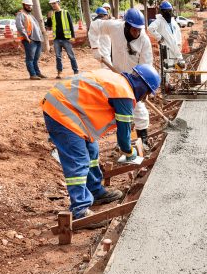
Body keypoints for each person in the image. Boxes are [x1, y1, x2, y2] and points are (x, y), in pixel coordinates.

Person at [41, 64, 160, 221]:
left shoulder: (118, 82)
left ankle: (95, 191)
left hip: (71, 111)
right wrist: (130, 154)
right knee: (79, 161)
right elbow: (123, 138)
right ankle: (80, 210)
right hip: (61, 112)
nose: (143, 98)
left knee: (92, 151)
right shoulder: (124, 93)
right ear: (142, 87)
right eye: (145, 94)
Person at [88, 8, 154, 147]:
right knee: (122, 110)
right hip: (117, 76)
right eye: (134, 29)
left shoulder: (144, 40)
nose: (137, 32)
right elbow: (95, 26)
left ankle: (144, 138)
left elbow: (146, 65)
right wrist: (95, 48)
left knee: (139, 108)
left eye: (139, 30)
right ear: (127, 26)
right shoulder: (114, 27)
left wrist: (144, 87)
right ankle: (125, 141)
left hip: (135, 80)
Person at [45, 0, 79, 78]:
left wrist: (72, 36)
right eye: (52, 4)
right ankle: (59, 73)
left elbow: (71, 25)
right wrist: (48, 18)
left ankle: (76, 71)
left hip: (66, 38)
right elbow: (49, 27)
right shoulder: (52, 14)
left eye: (54, 3)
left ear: (58, 3)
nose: (53, 5)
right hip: (57, 39)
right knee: (58, 57)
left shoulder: (65, 12)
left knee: (71, 56)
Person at [16, 0, 47, 80]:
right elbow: (19, 27)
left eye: (30, 5)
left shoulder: (29, 15)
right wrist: (26, 37)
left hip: (36, 39)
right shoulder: (21, 14)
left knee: (35, 58)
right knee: (30, 58)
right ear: (23, 5)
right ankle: (32, 74)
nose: (29, 7)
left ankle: (37, 73)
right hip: (30, 40)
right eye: (27, 5)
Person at [148, 1, 184, 70]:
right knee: (166, 69)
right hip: (166, 50)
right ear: (162, 12)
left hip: (176, 47)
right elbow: (150, 28)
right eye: (166, 11)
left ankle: (182, 80)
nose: (168, 12)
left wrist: (179, 43)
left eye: (169, 10)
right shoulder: (159, 21)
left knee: (181, 67)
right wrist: (159, 37)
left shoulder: (173, 21)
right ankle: (164, 81)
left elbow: (178, 32)